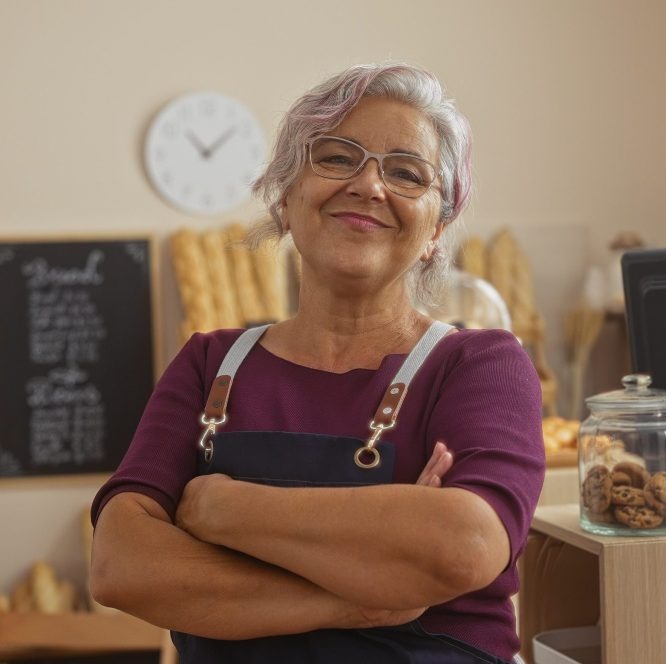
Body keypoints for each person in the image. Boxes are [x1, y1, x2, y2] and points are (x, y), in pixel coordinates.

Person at [90, 63, 545, 663]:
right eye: (336, 158)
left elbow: (463, 544)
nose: (370, 185)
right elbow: (121, 566)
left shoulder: (479, 365)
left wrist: (217, 507)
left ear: (436, 228)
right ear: (285, 196)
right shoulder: (211, 364)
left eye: (407, 173)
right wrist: (359, 600)